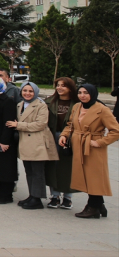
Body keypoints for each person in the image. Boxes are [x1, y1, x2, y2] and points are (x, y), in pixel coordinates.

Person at [59, 84, 119, 219]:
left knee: (94, 178)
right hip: (78, 145)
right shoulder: (76, 107)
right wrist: (64, 135)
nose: (82, 95)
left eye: (86, 92)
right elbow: (71, 124)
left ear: (93, 93)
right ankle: (99, 205)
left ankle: (92, 207)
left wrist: (99, 142)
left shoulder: (102, 110)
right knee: (86, 177)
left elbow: (116, 131)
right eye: (80, 92)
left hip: (93, 147)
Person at [6, 82, 58, 210]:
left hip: (37, 142)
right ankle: (32, 195)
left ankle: (37, 198)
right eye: (25, 91)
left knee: (37, 172)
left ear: (35, 92)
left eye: (30, 91)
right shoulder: (20, 104)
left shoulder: (41, 105)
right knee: (29, 171)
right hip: (26, 142)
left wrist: (18, 126)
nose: (27, 93)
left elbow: (40, 124)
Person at [44, 77, 79, 209]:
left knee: (68, 168)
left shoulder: (77, 103)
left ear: (70, 88)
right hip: (52, 137)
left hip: (70, 139)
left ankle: (68, 197)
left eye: (63, 85)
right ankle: (54, 196)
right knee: (53, 167)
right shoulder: (49, 102)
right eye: (58, 85)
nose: (59, 88)